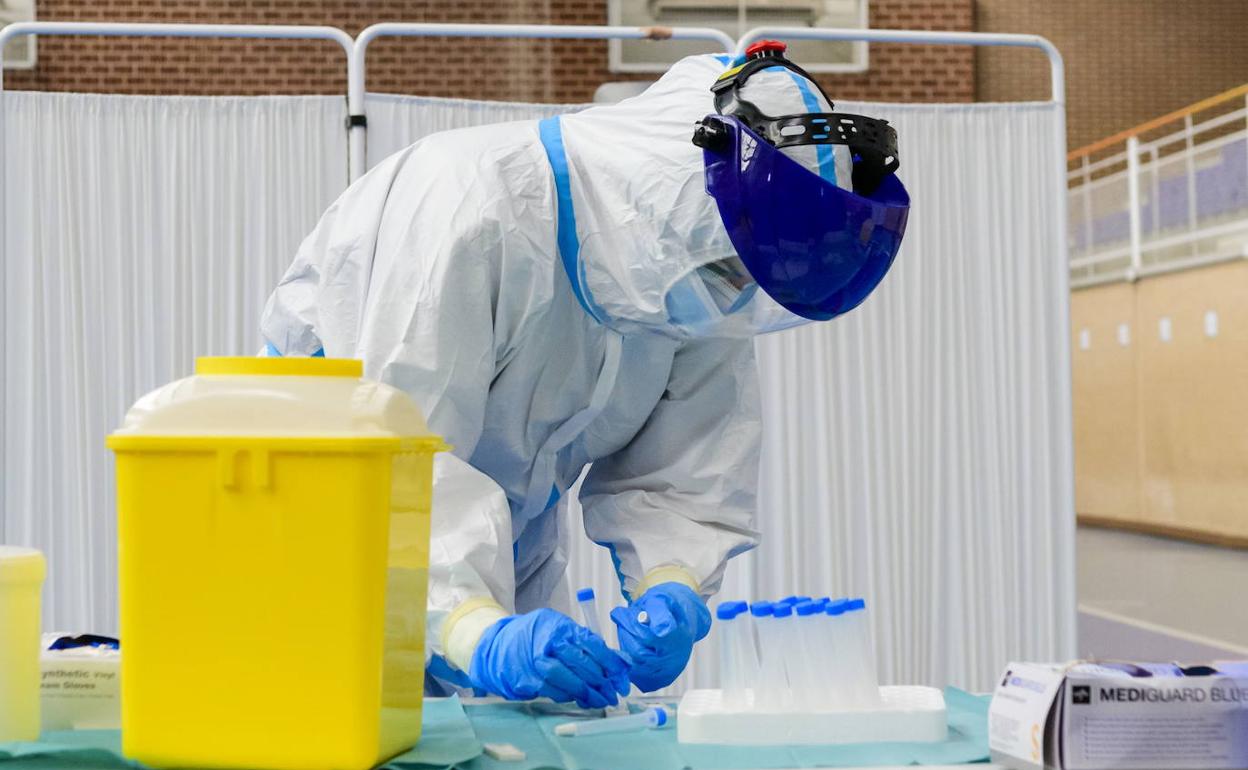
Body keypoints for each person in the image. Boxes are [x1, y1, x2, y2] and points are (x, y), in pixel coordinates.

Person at [260, 42, 909, 707]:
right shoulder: (469, 205)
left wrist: (672, 581)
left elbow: (688, 459)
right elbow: (400, 460)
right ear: (684, 187)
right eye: (730, 264)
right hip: (324, 552)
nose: (733, 287)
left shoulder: (691, 271)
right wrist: (469, 629)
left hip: (506, 572)